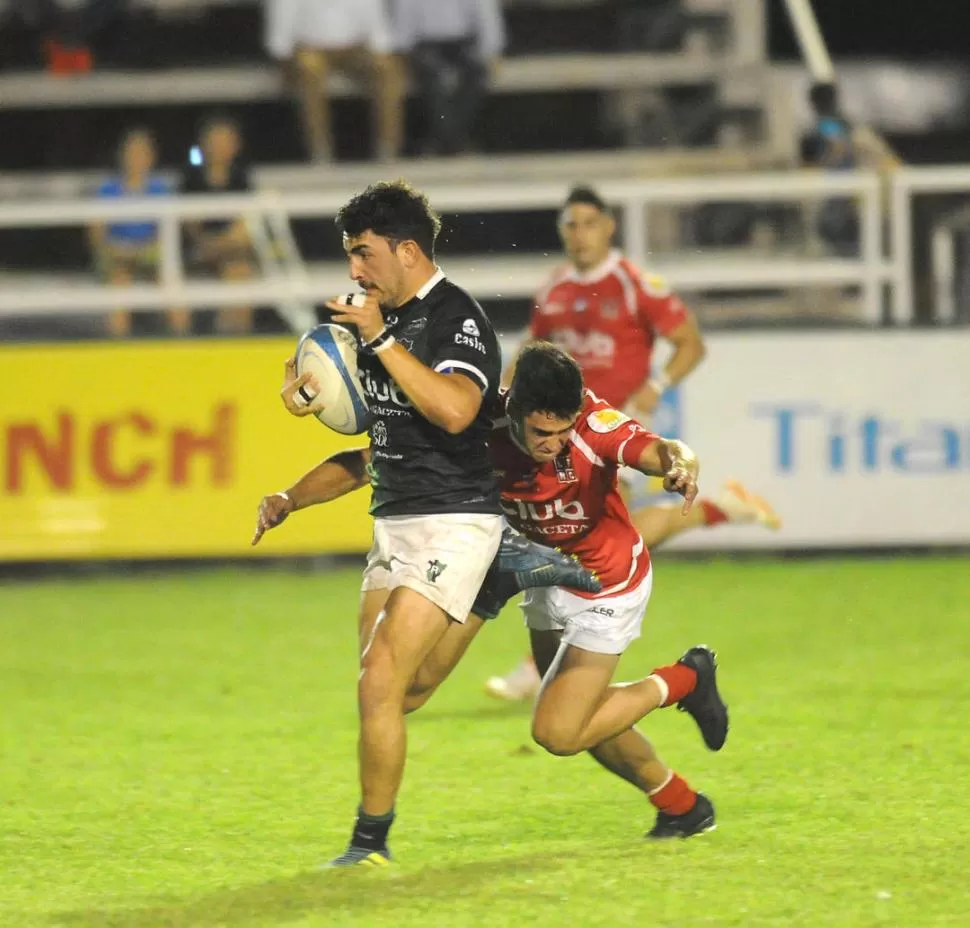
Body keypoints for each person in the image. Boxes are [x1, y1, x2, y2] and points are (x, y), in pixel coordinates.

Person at [250, 180, 599, 868]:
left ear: (407, 250)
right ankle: (496, 588)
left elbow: (456, 411)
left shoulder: (456, 319)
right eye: (350, 256)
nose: (354, 270)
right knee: (396, 693)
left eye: (363, 253)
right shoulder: (379, 322)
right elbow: (371, 444)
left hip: (455, 521)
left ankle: (367, 846)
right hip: (394, 523)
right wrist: (296, 469)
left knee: (379, 680)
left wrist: (375, 337)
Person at [404, 342, 728, 839]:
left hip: (607, 587)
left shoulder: (593, 427)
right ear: (513, 409)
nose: (553, 444)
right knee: (583, 717)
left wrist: (681, 466)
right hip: (544, 577)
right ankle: (681, 806)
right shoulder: (479, 422)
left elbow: (662, 451)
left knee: (557, 731)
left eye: (561, 432)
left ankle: (685, 679)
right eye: (540, 432)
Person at [486, 184, 780, 699]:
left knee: (589, 536)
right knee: (600, 534)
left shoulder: (634, 283)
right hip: (564, 432)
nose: (579, 234)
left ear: (609, 226)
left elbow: (691, 342)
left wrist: (656, 387)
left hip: (610, 429)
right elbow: (530, 357)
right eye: (570, 225)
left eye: (588, 223)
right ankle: (721, 509)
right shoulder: (554, 288)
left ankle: (543, 666)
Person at [265, 0, 404, 162]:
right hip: (310, 48)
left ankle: (388, 146)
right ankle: (319, 148)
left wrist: (381, 54)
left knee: (386, 68)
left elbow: (379, 31)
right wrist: (284, 60)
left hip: (355, 48)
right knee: (310, 69)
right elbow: (280, 32)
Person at [88, 128, 178, 338]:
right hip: (116, 257)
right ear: (122, 156)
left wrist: (143, 251)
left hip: (149, 258)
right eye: (132, 153)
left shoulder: (160, 191)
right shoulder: (108, 190)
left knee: (173, 289)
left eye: (142, 153)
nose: (136, 159)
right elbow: (96, 234)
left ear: (151, 158)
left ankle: (181, 345)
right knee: (120, 284)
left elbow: (165, 235)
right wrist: (116, 250)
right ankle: (118, 349)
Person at [391, 0, 504, 156]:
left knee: (477, 73)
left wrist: (491, 52)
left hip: (463, 44)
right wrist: (403, 57)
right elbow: (403, 31)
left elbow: (488, 19)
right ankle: (456, 143)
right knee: (430, 77)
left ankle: (444, 142)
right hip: (425, 45)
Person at [181, 115, 258, 336]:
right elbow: (192, 230)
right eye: (214, 141)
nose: (219, 147)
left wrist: (225, 244)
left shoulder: (241, 178)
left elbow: (244, 227)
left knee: (238, 270)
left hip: (232, 252)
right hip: (198, 253)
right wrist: (217, 245)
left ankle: (232, 338)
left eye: (225, 141)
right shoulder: (191, 180)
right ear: (204, 145)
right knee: (236, 263)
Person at [806, 82, 901, 257]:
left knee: (834, 229)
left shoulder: (827, 122)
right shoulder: (845, 121)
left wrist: (823, 163)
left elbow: (838, 144)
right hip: (850, 186)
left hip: (844, 186)